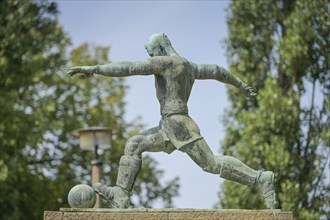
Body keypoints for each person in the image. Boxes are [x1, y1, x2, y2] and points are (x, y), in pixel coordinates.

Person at [68, 32, 278, 209]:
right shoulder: (190, 66)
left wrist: (95, 69)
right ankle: (121, 194)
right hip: (167, 126)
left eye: (151, 54)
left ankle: (260, 179)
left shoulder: (167, 62)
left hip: (179, 125)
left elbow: (130, 68)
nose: (150, 58)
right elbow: (217, 71)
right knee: (134, 144)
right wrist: (241, 85)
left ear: (159, 48)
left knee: (211, 164)